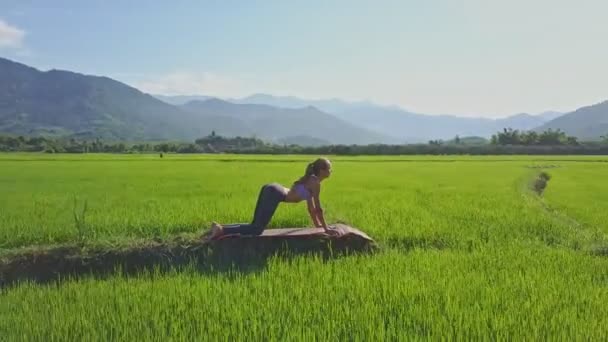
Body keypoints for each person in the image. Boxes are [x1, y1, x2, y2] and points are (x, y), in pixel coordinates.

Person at [203, 157, 338, 241]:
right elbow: (318, 209)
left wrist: (318, 226)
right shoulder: (315, 183)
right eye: (329, 169)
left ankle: (220, 228)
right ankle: (222, 230)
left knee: (255, 225)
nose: (331, 172)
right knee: (256, 229)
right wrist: (326, 230)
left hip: (272, 188)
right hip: (275, 193)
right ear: (321, 170)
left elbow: (311, 209)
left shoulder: (311, 180)